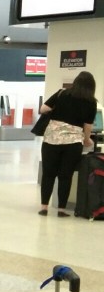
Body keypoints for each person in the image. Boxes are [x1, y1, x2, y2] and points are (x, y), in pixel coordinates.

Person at [38, 71, 97, 217]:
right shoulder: (91, 102)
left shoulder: (61, 93)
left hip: (52, 139)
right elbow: (88, 126)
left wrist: (56, 110)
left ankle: (44, 207)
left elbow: (43, 109)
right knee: (66, 176)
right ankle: (61, 210)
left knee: (48, 174)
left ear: (75, 82)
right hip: (73, 142)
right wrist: (87, 140)